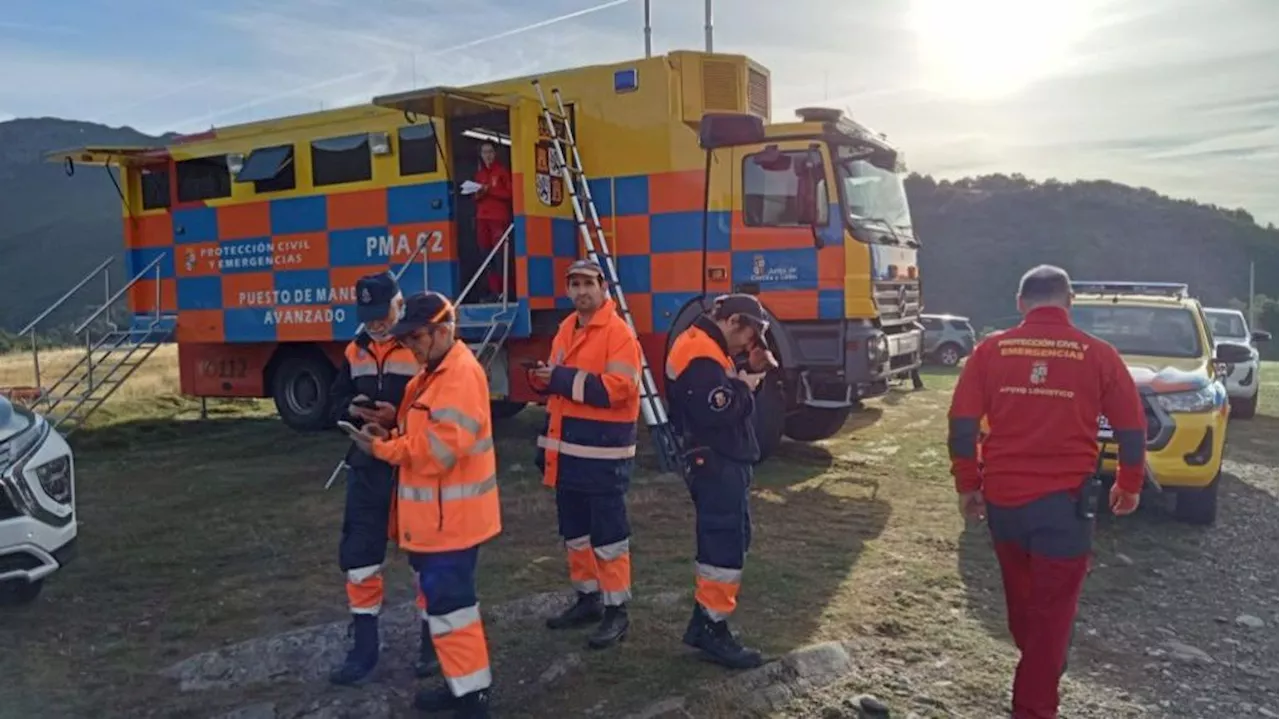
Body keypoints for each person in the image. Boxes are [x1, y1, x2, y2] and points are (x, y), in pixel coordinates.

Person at [946, 265, 1146, 719]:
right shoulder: (1098, 355)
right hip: (1064, 508)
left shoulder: (990, 350)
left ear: (1021, 303)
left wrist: (967, 484)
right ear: (1069, 302)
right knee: (1051, 617)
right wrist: (1129, 483)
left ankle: (1043, 661)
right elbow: (1132, 427)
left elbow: (961, 425)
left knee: (1025, 606)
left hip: (1004, 503)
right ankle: (1035, 702)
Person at [351, 291, 501, 718]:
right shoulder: (433, 373)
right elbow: (423, 428)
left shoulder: (459, 376)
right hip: (439, 522)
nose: (410, 347)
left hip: (451, 523)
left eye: (416, 338)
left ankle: (473, 699)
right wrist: (390, 426)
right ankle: (464, 690)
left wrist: (383, 449)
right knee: (447, 612)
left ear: (442, 331)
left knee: (454, 611)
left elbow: (439, 450)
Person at [327, 272, 435, 686]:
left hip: (413, 465)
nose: (375, 324)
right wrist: (351, 410)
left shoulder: (421, 345)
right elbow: (333, 402)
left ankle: (432, 640)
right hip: (368, 463)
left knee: (425, 557)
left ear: (399, 303)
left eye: (382, 314)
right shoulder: (354, 350)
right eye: (368, 317)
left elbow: (440, 406)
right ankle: (365, 647)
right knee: (359, 556)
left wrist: (399, 418)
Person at [529, 259, 643, 649]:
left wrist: (557, 379)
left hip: (604, 456)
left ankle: (617, 611)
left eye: (588, 284)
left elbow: (618, 390)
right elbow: (561, 388)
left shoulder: (618, 333)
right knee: (575, 534)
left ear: (603, 287)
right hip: (568, 454)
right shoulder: (566, 328)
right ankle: (588, 599)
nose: (581, 291)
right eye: (574, 284)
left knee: (609, 537)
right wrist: (543, 381)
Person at [664, 293, 778, 669]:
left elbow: (720, 394)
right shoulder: (700, 353)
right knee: (722, 546)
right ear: (733, 322)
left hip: (718, 460)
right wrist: (747, 384)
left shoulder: (707, 348)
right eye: (750, 334)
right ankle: (713, 628)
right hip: (716, 462)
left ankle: (705, 622)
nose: (750, 343)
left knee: (729, 538)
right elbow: (720, 407)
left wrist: (747, 373)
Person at [470, 142, 513, 301]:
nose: (487, 155)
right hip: (482, 219)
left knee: (500, 256)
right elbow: (474, 197)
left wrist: (490, 190)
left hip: (498, 218)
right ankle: (494, 292)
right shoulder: (479, 175)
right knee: (486, 256)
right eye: (484, 152)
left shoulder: (502, 172)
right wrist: (480, 192)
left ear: (495, 154)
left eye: (490, 152)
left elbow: (510, 194)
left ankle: (506, 291)